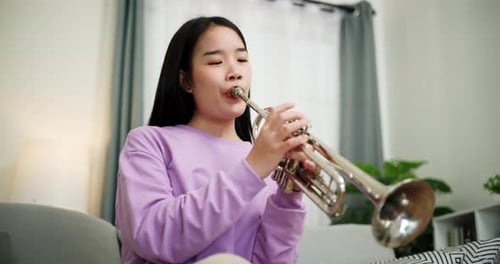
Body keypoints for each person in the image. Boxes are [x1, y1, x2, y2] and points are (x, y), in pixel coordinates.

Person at [115, 16, 315, 264]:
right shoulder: (148, 142)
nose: (235, 72)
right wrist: (252, 169)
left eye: (242, 60)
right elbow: (154, 238)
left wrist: (288, 195)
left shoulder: (263, 158)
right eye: (216, 62)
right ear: (185, 80)